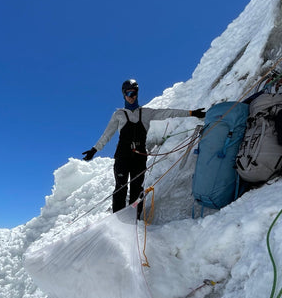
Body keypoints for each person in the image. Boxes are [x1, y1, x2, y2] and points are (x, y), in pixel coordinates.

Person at [82, 79, 206, 213]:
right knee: (121, 187)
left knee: (137, 187)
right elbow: (107, 134)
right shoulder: (119, 114)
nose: (131, 97)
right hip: (122, 155)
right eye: (128, 93)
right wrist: (94, 150)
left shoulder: (147, 113)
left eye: (133, 93)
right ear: (124, 95)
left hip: (139, 156)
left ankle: (134, 217)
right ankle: (117, 218)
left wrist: (192, 113)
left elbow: (169, 113)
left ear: (137, 94)